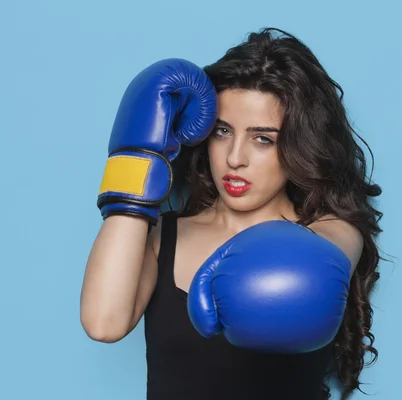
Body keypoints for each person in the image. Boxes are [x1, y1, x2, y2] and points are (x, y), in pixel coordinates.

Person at [80, 28, 384, 400]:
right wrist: (135, 160)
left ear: (299, 145)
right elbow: (103, 323)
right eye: (222, 131)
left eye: (263, 138)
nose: (234, 157)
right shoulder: (163, 236)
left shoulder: (327, 233)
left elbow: (332, 252)